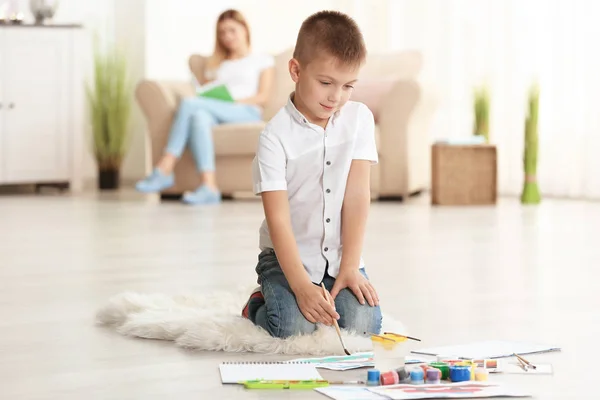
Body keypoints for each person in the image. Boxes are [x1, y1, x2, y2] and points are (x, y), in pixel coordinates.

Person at [241, 10, 382, 339]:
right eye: (325, 83)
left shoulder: (359, 118)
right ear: (295, 70)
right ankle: (257, 304)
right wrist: (302, 286)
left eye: (348, 85)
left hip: (339, 257)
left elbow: (357, 196)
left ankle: (335, 279)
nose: (336, 97)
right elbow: (278, 221)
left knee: (364, 326)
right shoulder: (274, 138)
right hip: (285, 257)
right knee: (292, 326)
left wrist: (350, 266)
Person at [136, 9, 275, 205]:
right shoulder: (220, 63)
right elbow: (207, 91)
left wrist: (231, 102)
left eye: (232, 30)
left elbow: (263, 97)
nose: (227, 37)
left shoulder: (262, 59)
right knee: (198, 116)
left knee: (190, 103)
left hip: (247, 111)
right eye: (222, 32)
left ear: (244, 29)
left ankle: (165, 166)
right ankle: (209, 186)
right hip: (219, 111)